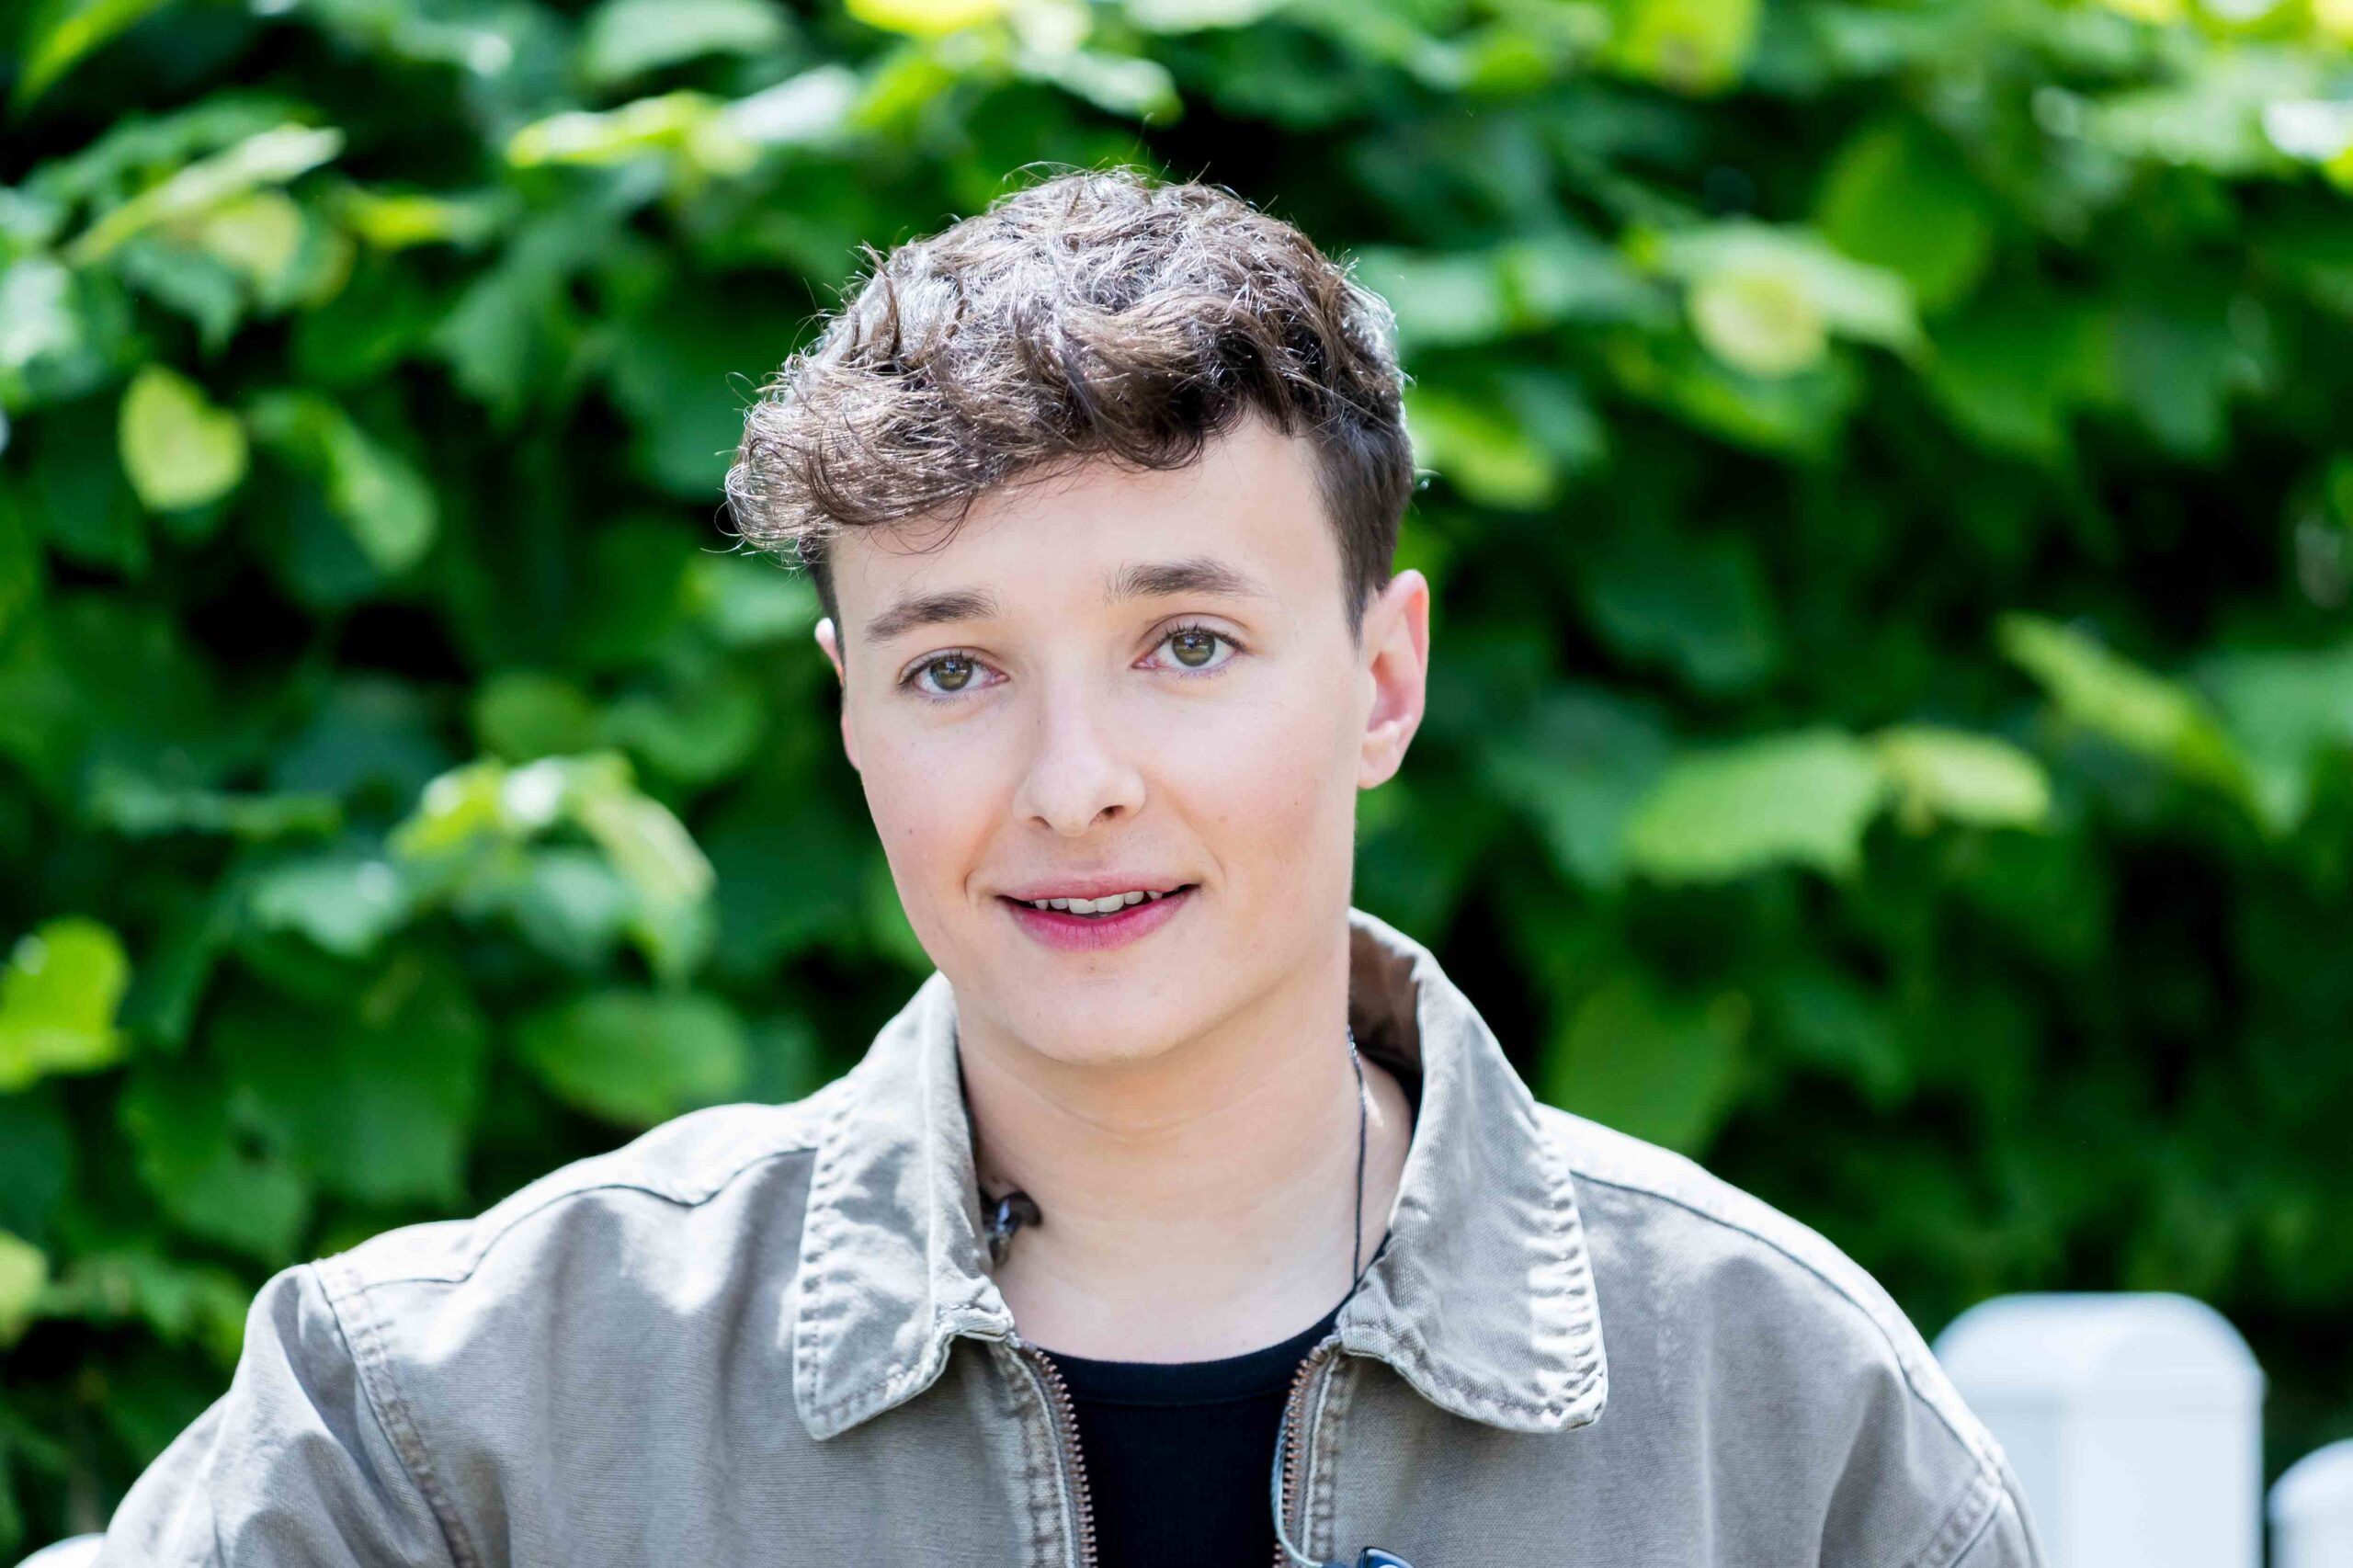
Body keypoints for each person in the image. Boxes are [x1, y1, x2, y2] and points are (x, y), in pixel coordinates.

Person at [95, 166, 2042, 1567]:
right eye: (953, 669)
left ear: (1381, 681)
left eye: (1185, 644)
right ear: (851, 713)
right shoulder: (451, 1416)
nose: (1074, 784)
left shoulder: (1781, 1415)